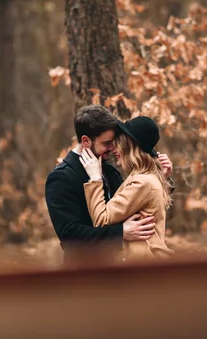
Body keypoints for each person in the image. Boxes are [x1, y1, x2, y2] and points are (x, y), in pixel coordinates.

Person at [45, 105, 174, 265]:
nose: (112, 148)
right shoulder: (62, 177)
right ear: (86, 141)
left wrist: (160, 178)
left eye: (113, 142)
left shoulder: (109, 170)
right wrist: (120, 233)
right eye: (107, 143)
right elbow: (69, 236)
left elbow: (135, 205)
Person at [79, 116, 174, 261]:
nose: (113, 149)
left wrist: (95, 178)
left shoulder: (142, 182)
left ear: (130, 147)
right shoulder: (147, 179)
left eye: (119, 144)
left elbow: (101, 219)